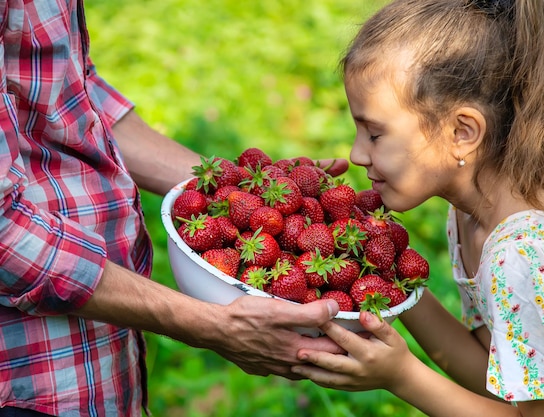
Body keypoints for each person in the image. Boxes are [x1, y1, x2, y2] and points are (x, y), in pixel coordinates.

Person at [0, 1, 348, 416]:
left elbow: (69, 95)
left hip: (98, 355)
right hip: (26, 379)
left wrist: (242, 188)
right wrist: (209, 324)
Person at [291, 0, 544, 416]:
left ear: (462, 132)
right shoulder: (472, 215)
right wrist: (388, 273)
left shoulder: (520, 254)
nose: (357, 154)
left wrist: (403, 377)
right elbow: (500, 378)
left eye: (375, 134)